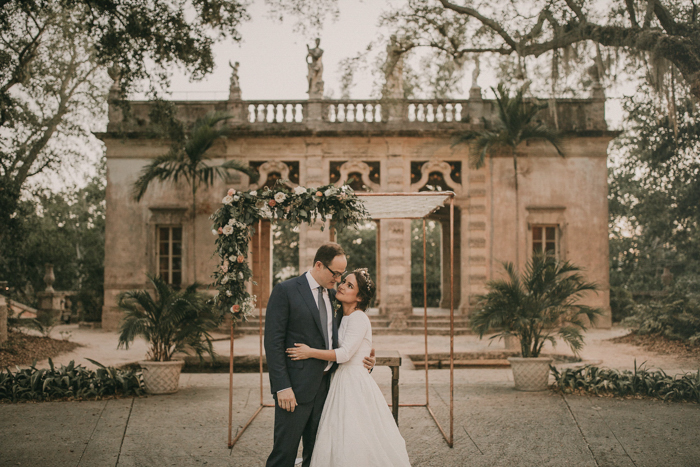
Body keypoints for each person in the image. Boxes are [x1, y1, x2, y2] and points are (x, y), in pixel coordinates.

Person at [264, 243, 376, 467]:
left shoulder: (335, 296)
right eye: (335, 273)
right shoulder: (285, 291)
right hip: (294, 390)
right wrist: (282, 387)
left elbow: (349, 337)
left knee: (317, 456)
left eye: (342, 275)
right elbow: (273, 343)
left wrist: (367, 359)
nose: (339, 280)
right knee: (284, 454)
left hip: (327, 390)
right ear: (318, 265)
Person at [286, 269, 412, 467]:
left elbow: (344, 354)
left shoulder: (358, 318)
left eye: (350, 285)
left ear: (359, 297)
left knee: (354, 434)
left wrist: (310, 352)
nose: (342, 286)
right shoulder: (340, 316)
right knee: (337, 432)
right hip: (339, 381)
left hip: (353, 384)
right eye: (344, 281)